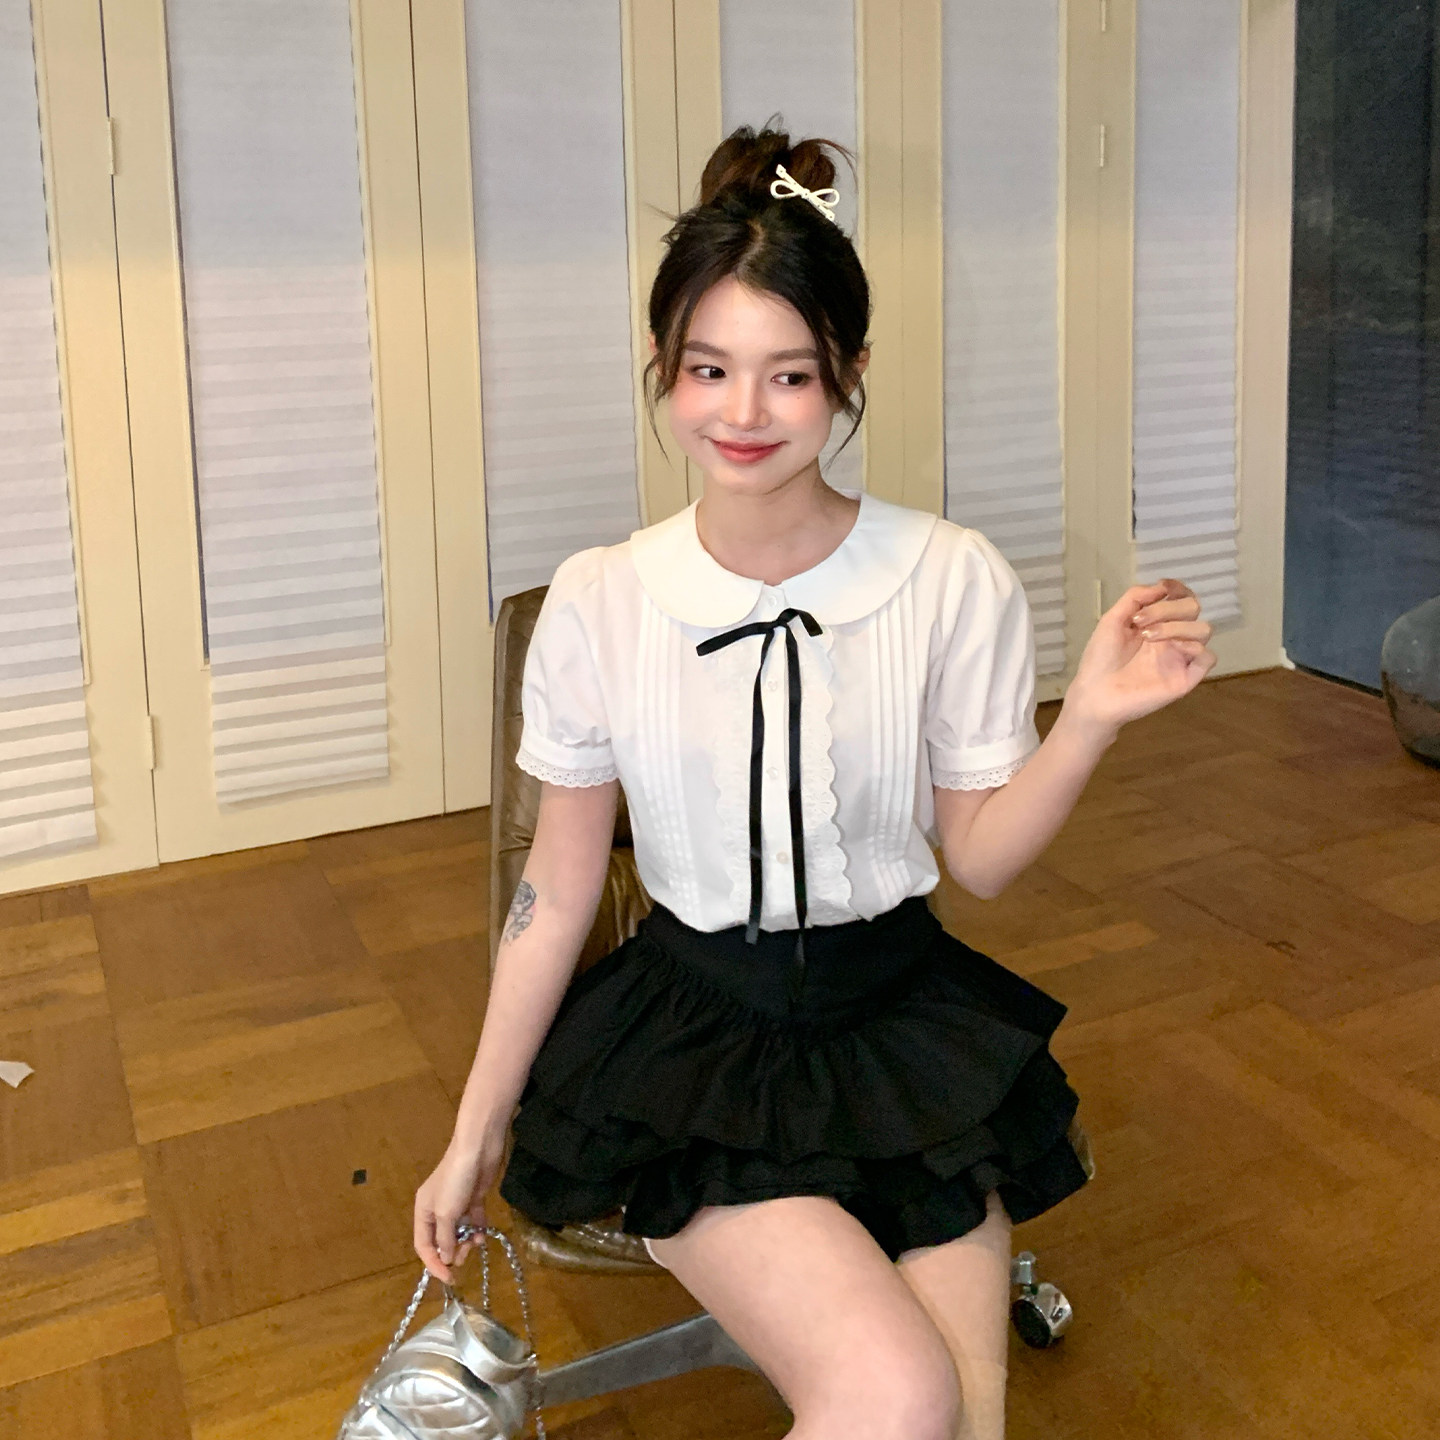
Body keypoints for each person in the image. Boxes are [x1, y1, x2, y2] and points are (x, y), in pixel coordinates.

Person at [414, 126, 1216, 1440]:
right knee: (897, 1398)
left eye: (788, 375)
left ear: (848, 373)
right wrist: (474, 1128)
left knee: (966, 1418)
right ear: (664, 366)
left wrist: (1089, 722)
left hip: (899, 1023)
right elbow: (554, 892)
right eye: (709, 369)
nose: (744, 413)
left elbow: (981, 860)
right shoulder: (601, 602)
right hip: (698, 1048)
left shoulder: (949, 577)